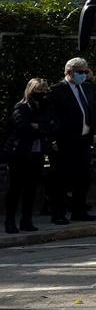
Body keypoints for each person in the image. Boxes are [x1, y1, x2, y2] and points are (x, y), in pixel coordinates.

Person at [48, 57, 96, 224]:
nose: (84, 75)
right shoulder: (56, 90)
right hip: (66, 141)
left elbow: (90, 111)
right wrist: (55, 138)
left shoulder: (87, 88)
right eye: (81, 72)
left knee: (83, 178)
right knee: (62, 179)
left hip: (84, 140)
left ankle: (79, 210)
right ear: (69, 72)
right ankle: (58, 213)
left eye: (85, 72)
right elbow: (52, 117)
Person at [5, 79, 52, 233]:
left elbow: (51, 126)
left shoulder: (43, 108)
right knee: (15, 189)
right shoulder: (21, 107)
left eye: (45, 91)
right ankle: (10, 221)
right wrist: (39, 128)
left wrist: (38, 126)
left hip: (37, 153)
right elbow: (22, 128)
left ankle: (27, 220)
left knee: (31, 189)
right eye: (39, 90)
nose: (42, 94)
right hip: (20, 154)